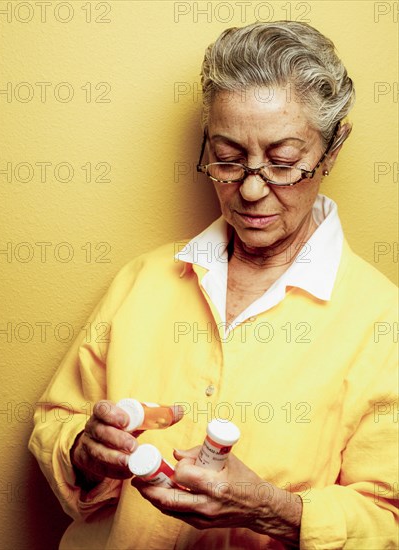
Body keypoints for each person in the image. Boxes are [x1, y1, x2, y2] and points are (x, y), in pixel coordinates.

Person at [29, 21, 398, 549]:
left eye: (282, 162)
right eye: (227, 158)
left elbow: (389, 519)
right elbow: (56, 422)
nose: (250, 188)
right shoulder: (144, 280)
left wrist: (276, 512)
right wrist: (83, 453)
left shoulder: (384, 322)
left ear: (333, 148)